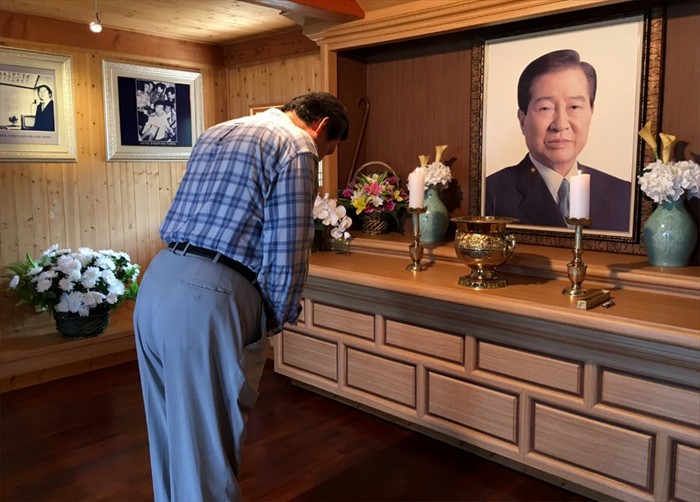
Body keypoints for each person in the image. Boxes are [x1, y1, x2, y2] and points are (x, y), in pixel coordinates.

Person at [133, 91, 349, 502]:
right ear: (322, 127)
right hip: (209, 295)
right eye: (329, 149)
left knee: (168, 431)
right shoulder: (297, 144)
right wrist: (274, 317)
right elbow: (288, 246)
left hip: (159, 277)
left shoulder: (217, 132)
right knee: (207, 449)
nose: (322, 156)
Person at [485, 49, 631, 232]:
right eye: (546, 108)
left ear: (591, 112)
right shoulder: (490, 195)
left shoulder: (624, 194)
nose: (560, 124)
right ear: (523, 120)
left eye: (574, 107)